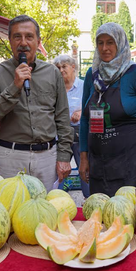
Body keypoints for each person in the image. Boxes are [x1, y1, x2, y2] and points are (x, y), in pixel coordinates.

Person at [0, 15, 72, 190]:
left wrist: (64, 156)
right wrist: (14, 87)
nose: (23, 42)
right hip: (10, 156)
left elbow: (62, 118)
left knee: (46, 210)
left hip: (47, 157)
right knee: (9, 212)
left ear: (38, 41)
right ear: (10, 41)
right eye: (17, 36)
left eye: (29, 36)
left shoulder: (52, 73)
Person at [79, 22, 136, 197]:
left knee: (128, 215)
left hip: (130, 163)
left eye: (110, 42)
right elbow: (85, 120)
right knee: (100, 215)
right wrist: (84, 158)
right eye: (100, 43)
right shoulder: (93, 74)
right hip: (98, 163)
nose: (104, 48)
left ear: (120, 43)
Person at [53, 54, 87, 195]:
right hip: (60, 135)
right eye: (58, 67)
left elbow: (94, 107)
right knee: (58, 170)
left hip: (80, 134)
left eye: (64, 67)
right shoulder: (54, 88)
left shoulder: (84, 86)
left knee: (84, 169)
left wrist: (81, 112)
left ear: (73, 67)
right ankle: (55, 198)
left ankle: (88, 200)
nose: (61, 70)